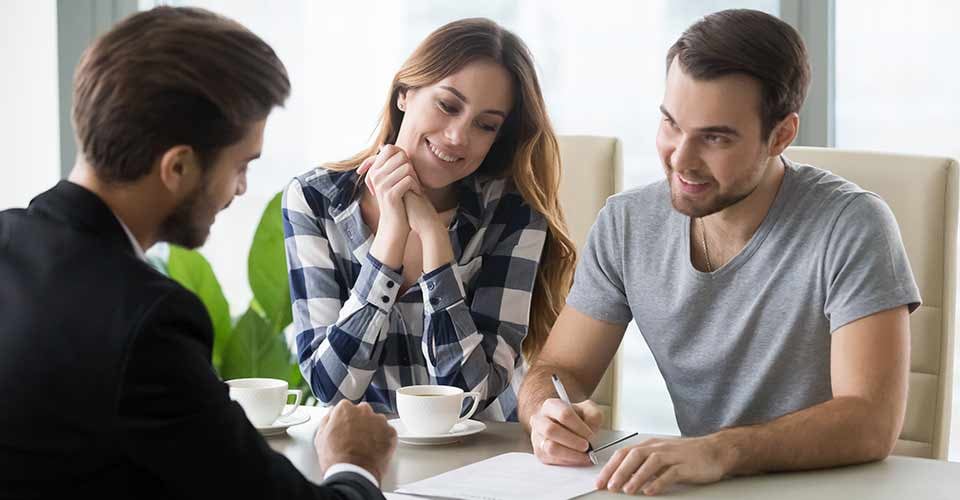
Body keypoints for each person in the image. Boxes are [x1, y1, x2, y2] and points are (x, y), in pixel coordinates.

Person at [518, 8, 920, 496]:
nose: (680, 159)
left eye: (715, 137)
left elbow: (870, 421)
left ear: (782, 135)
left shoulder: (852, 225)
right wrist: (547, 412)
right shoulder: (627, 223)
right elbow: (560, 369)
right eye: (671, 124)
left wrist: (719, 450)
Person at [0, 7, 395, 499]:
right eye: (241, 166)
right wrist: (355, 462)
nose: (242, 189)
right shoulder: (145, 323)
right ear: (179, 167)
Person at [282, 18, 576, 422]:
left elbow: (470, 398)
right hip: (371, 454)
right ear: (405, 93)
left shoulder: (512, 214)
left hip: (486, 458)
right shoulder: (316, 200)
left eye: (485, 125)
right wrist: (389, 239)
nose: (457, 136)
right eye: (448, 105)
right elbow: (332, 387)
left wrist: (436, 247)